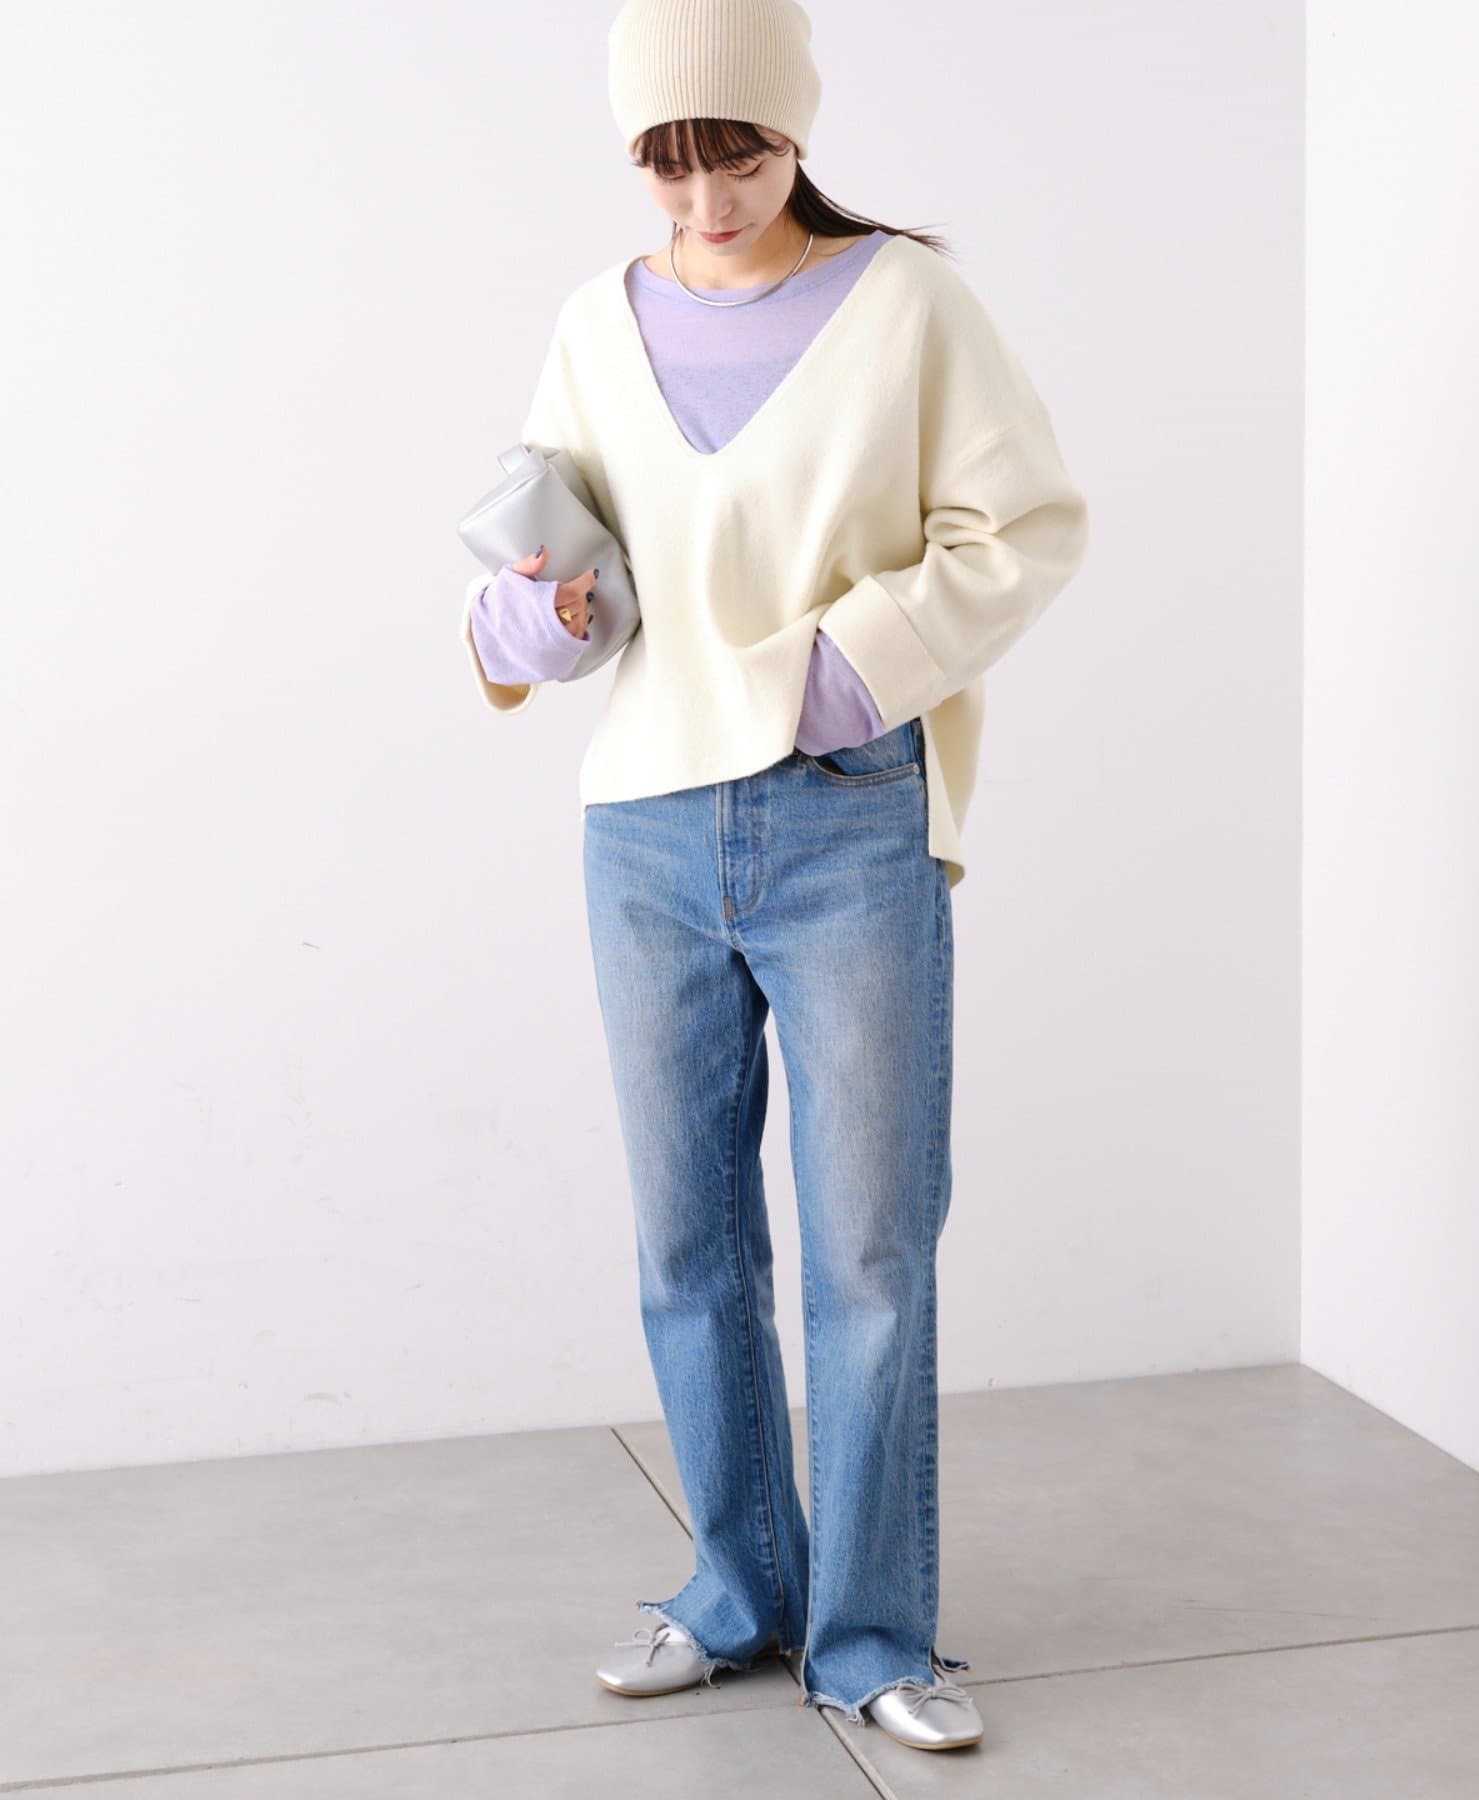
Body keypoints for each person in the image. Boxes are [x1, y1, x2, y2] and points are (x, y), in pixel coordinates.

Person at [460, 0, 1089, 1754]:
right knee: (689, 1240)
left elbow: (1024, 526)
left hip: (848, 815)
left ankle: (874, 1632)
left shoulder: (908, 305)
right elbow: (557, 580)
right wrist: (533, 618)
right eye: (666, 164)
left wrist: (842, 676)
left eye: (735, 155)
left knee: (870, 1247)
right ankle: (738, 1590)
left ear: (795, 128)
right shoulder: (596, 323)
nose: (706, 198)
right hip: (646, 829)